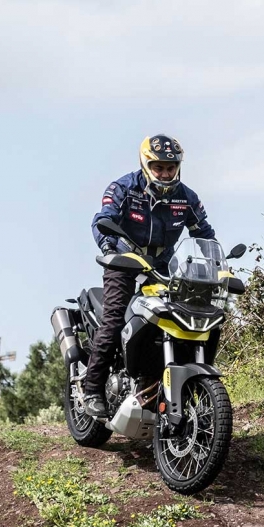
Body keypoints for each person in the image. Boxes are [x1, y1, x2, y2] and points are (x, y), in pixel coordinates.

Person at [83, 134, 216, 418]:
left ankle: (158, 383)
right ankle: (92, 389)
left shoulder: (187, 198)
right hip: (125, 260)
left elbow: (203, 233)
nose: (165, 173)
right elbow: (103, 220)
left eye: (171, 167)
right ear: (146, 165)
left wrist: (216, 263)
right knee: (114, 319)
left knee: (182, 318)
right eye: (159, 167)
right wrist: (108, 248)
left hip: (164, 265)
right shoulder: (123, 188)